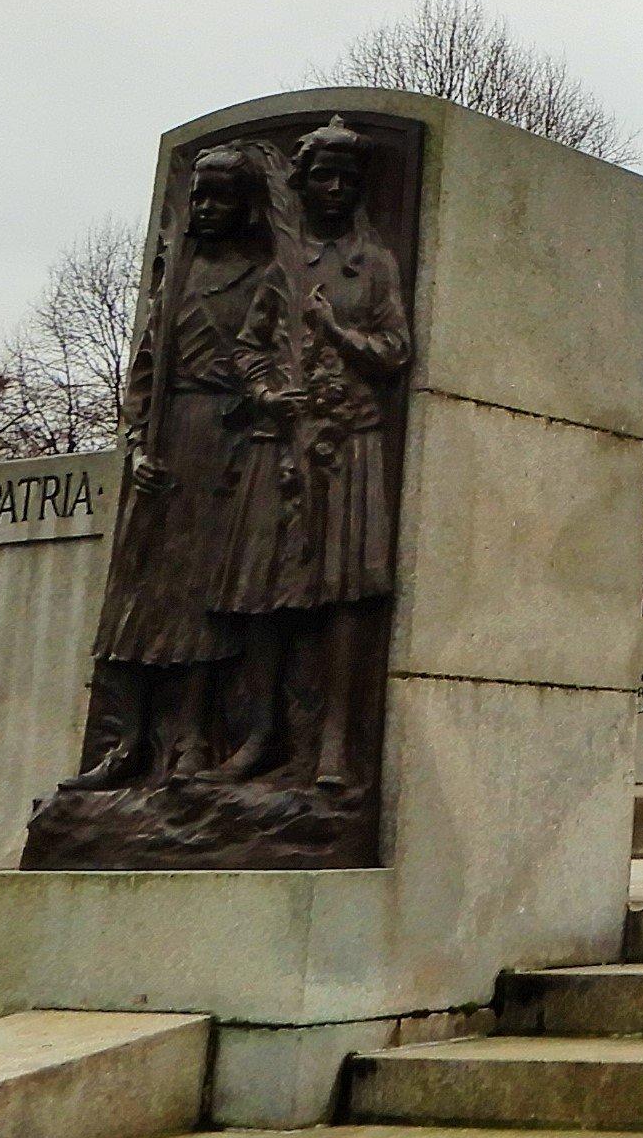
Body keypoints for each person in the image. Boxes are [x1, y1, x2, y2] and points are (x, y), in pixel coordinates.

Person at [68, 141, 290, 792]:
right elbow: (142, 378)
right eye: (200, 196)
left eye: (223, 196)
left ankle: (191, 740)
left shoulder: (262, 278)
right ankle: (127, 741)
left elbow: (273, 365)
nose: (209, 208)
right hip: (162, 449)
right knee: (136, 601)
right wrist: (137, 446)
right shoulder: (178, 280)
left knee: (198, 607)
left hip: (220, 449)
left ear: (245, 204)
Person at [209, 118, 409, 792]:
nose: (332, 189)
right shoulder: (285, 268)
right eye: (320, 177)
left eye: (344, 180)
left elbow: (395, 351)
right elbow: (246, 347)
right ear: (304, 183)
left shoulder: (374, 264)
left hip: (348, 443)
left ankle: (333, 745)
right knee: (265, 595)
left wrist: (338, 330)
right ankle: (260, 736)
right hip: (283, 444)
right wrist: (266, 391)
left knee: (345, 600)